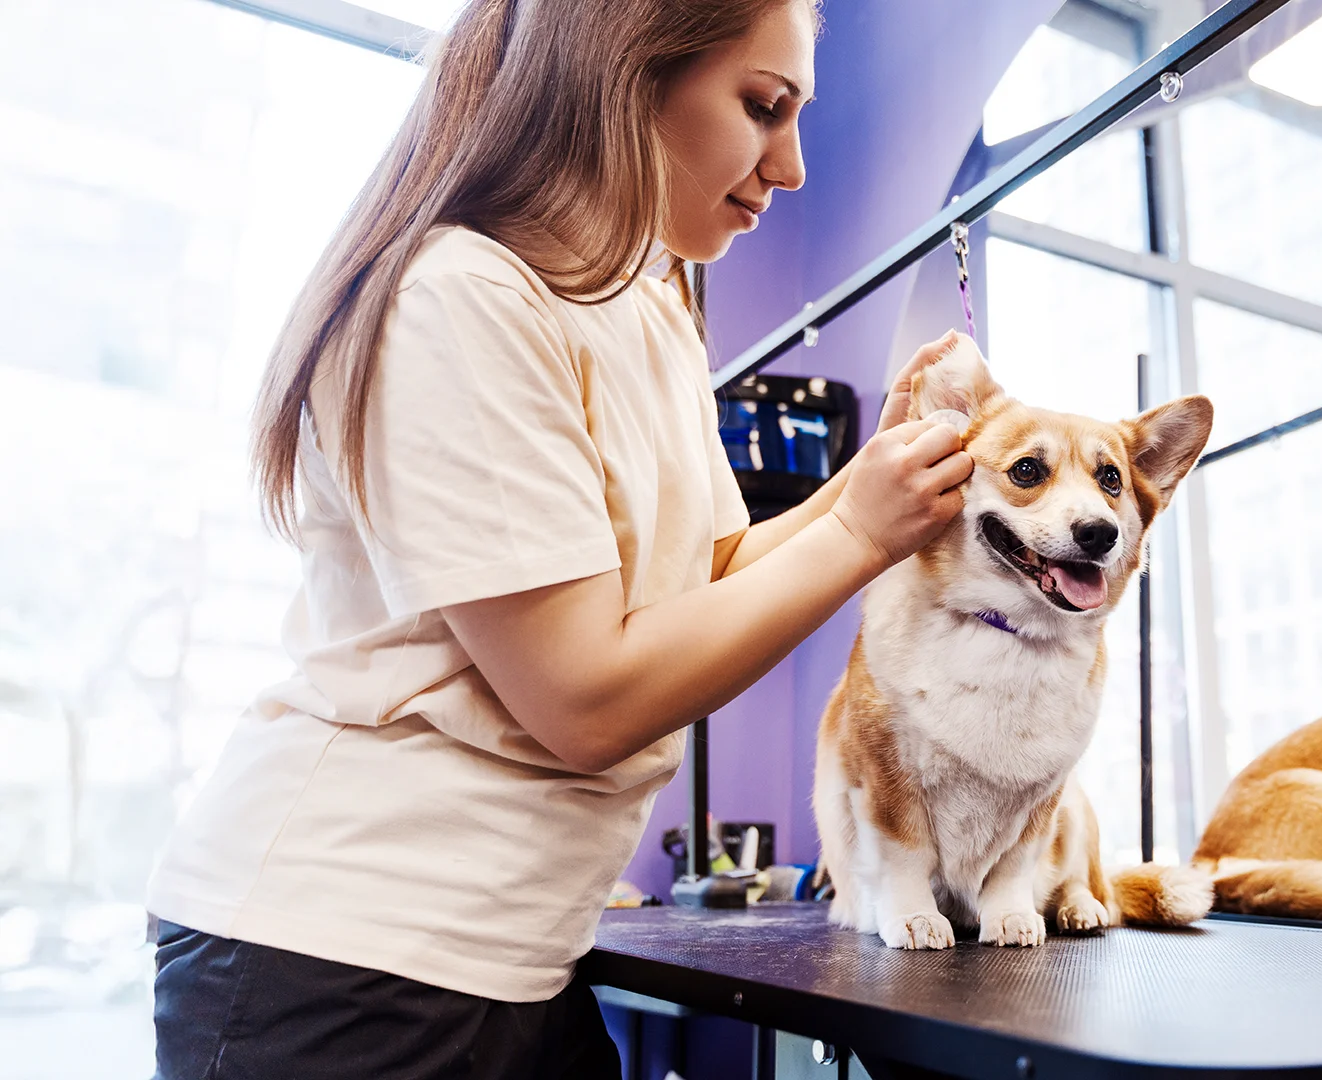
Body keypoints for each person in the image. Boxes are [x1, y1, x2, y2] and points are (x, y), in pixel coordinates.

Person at [143, 2, 973, 1076]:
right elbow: (584, 699)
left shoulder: (650, 301)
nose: (795, 166)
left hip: (520, 960)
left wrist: (868, 486)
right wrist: (858, 532)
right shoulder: (460, 294)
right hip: (341, 960)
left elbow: (707, 578)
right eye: (764, 107)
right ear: (625, 70)